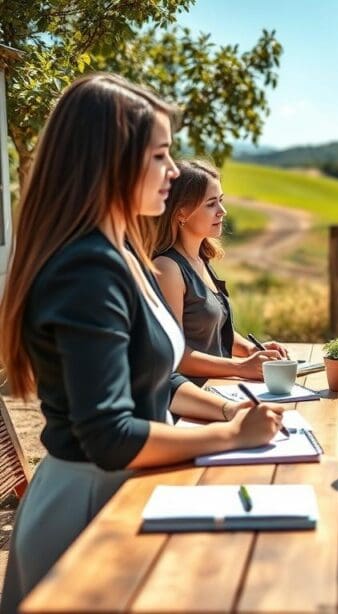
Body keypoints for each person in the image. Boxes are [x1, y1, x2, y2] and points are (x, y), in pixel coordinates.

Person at [0, 74, 285, 612]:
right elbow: (110, 434)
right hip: (89, 511)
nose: (174, 172)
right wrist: (228, 436)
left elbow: (161, 379)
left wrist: (231, 411)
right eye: (160, 156)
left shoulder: (122, 256)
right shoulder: (87, 270)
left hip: (128, 492)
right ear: (111, 163)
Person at [149, 159, 287, 387]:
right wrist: (243, 367)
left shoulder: (200, 260)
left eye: (220, 201)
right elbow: (175, 354)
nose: (222, 211)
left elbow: (216, 333)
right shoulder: (168, 268)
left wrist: (253, 350)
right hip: (191, 401)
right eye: (211, 204)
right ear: (181, 212)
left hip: (220, 389)